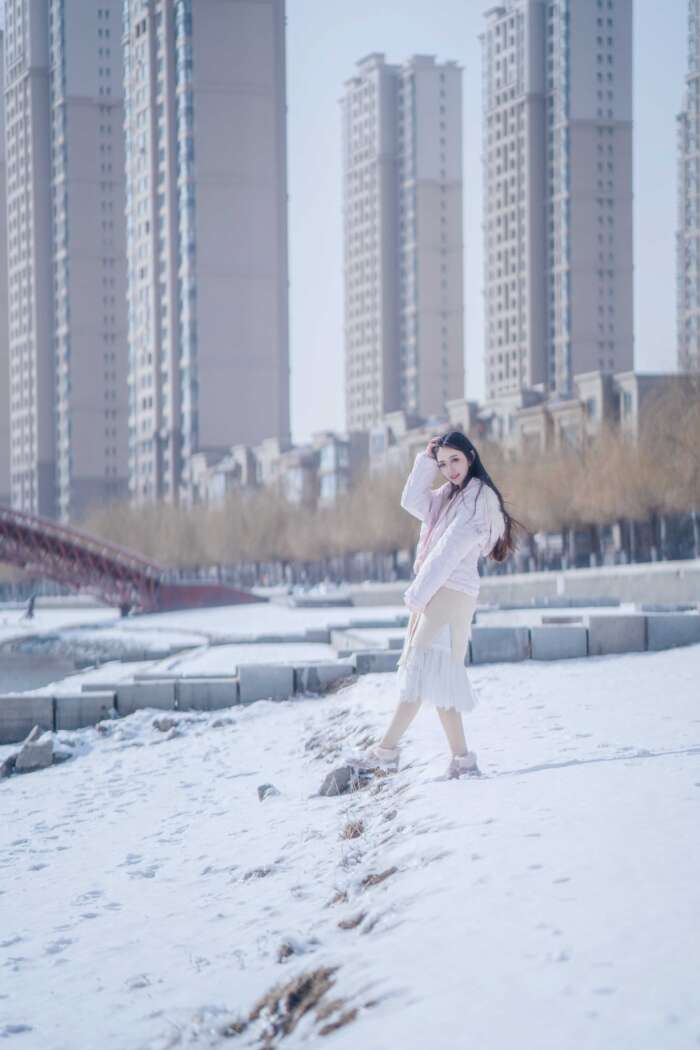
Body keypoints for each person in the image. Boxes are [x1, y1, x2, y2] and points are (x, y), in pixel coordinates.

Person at [350, 431, 520, 780]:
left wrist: (417, 594)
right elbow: (412, 501)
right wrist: (426, 461)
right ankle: (463, 760)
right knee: (438, 676)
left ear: (470, 456)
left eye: (455, 460)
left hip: (449, 593)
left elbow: (448, 552)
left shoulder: (478, 498)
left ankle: (385, 752)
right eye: (443, 464)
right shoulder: (450, 494)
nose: (450, 469)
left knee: (419, 670)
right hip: (441, 592)